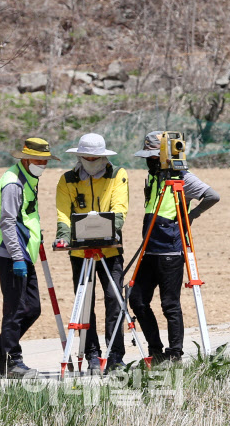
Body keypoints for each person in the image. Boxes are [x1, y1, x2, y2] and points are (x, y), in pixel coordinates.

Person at [129, 131, 220, 364]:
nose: (149, 162)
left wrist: (190, 217)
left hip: (170, 251)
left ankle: (175, 353)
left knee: (169, 304)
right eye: (147, 157)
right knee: (137, 299)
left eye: (153, 157)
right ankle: (156, 349)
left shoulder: (183, 177)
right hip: (149, 249)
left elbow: (212, 196)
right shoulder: (152, 177)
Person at [0, 137, 59, 378]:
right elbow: (7, 222)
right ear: (25, 158)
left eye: (45, 161)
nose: (42, 164)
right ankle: (12, 361)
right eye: (39, 160)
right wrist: (16, 257)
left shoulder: (28, 178)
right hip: (12, 256)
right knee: (15, 311)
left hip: (24, 253)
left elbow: (25, 216)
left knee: (32, 309)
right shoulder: (13, 183)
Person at [53, 133, 129, 373]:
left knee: (114, 301)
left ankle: (116, 357)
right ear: (79, 156)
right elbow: (63, 213)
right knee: (85, 305)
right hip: (80, 253)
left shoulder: (118, 175)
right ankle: (92, 356)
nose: (91, 160)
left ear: (104, 157)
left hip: (110, 250)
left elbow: (120, 208)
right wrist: (64, 237)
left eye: (95, 157)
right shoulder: (67, 180)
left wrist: (109, 230)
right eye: (86, 157)